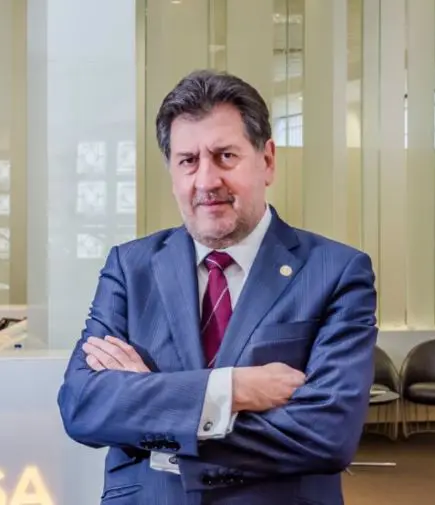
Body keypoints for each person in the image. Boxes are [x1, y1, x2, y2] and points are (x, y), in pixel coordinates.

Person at [57, 69, 377, 505]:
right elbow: (83, 405)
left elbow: (327, 433)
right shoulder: (131, 268)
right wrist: (231, 390)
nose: (206, 181)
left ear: (267, 161)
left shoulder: (335, 272)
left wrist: (155, 411)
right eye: (188, 160)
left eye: (225, 156)